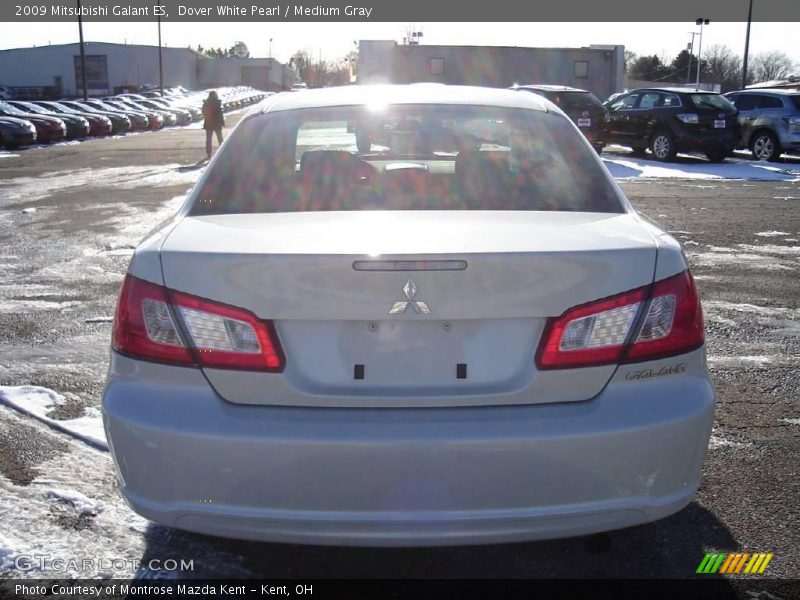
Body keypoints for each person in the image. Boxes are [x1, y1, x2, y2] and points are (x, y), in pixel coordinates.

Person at [202, 90, 225, 160]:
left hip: (209, 123)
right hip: (217, 123)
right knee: (220, 139)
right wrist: (222, 122)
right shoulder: (217, 103)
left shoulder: (206, 103)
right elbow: (220, 114)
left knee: (209, 140)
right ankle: (223, 152)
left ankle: (209, 154)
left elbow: (204, 112)